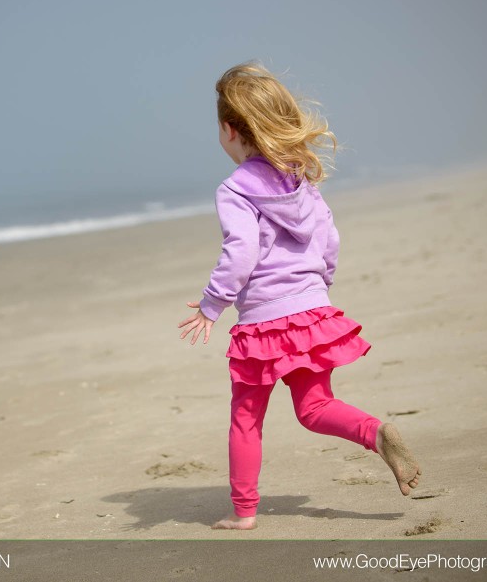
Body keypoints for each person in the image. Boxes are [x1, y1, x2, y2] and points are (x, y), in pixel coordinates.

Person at [178, 63, 420, 530]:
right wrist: (317, 287)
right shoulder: (300, 180)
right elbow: (330, 238)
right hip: (312, 311)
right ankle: (375, 431)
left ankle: (244, 513)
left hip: (264, 323)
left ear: (229, 130)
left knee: (246, 418)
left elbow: (242, 250)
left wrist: (212, 303)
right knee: (315, 408)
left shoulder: (234, 190)